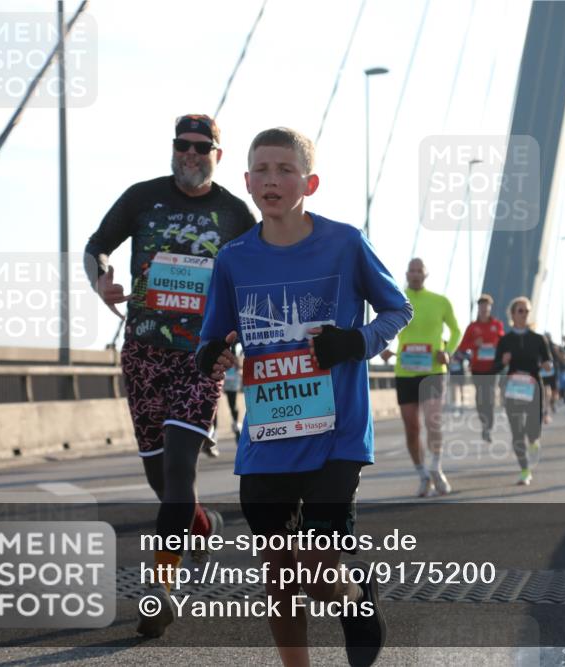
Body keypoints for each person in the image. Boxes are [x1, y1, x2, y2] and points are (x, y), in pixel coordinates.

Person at [198, 126, 411, 666]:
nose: (273, 180)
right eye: (262, 171)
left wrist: (355, 341)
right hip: (267, 437)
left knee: (317, 578)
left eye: (285, 170)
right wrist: (211, 355)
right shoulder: (233, 259)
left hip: (336, 437)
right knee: (278, 571)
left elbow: (397, 310)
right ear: (246, 181)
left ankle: (356, 594)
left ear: (309, 182)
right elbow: (214, 336)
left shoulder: (344, 243)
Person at [84, 113, 256, 637]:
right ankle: (200, 523)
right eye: (183, 145)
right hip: (143, 353)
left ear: (217, 156)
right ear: (173, 148)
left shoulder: (235, 213)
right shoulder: (143, 197)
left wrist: (239, 341)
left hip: (200, 357)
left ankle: (160, 589)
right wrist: (101, 280)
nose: (191, 154)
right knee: (162, 479)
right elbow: (97, 246)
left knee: (181, 468)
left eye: (202, 147)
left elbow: (257, 279)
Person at [380, 258, 461, 497]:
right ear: (406, 274)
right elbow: (385, 327)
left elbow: (456, 330)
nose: (415, 274)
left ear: (426, 274)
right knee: (412, 428)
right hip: (405, 371)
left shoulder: (440, 301)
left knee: (432, 421)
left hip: (433, 371)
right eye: (411, 271)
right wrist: (383, 347)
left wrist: (448, 351)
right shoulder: (396, 300)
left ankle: (436, 467)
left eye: (419, 271)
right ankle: (423, 474)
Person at [493, 297, 553, 486]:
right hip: (512, 389)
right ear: (512, 314)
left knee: (533, 431)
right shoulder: (505, 340)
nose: (524, 314)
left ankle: (534, 442)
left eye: (527, 311)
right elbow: (494, 367)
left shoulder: (538, 339)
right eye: (520, 311)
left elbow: (548, 361)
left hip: (534, 388)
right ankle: (525, 470)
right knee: (517, 432)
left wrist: (547, 364)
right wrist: (502, 362)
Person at [457, 294, 506, 442]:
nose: (484, 309)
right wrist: (474, 345)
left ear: (490, 309)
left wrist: (498, 345)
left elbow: (504, 342)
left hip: (492, 368)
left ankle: (488, 427)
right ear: (478, 309)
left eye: (487, 307)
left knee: (490, 397)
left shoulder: (497, 325)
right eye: (482, 307)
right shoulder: (472, 327)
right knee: (480, 397)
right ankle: (484, 423)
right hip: (477, 367)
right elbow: (462, 347)